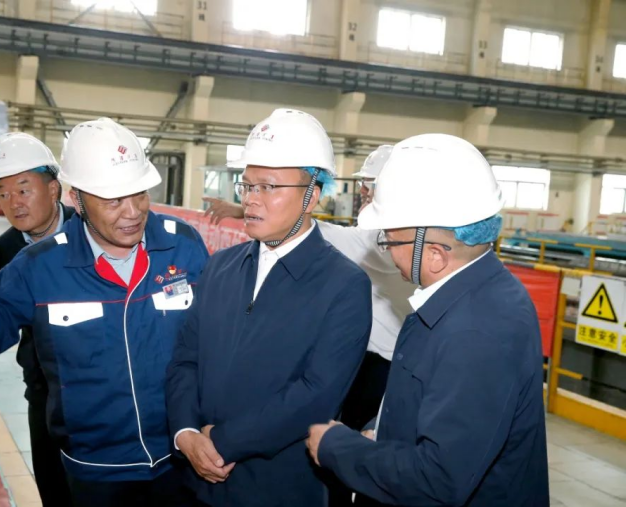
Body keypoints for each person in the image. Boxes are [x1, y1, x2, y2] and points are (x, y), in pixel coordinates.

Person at [0, 118, 210, 507]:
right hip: (96, 472)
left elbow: (216, 341)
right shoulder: (39, 266)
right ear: (78, 199)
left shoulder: (183, 247)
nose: (132, 212)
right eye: (113, 200)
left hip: (181, 459)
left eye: (139, 193)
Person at [306, 134, 549, 506]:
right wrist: (380, 432)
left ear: (435, 254)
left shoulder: (478, 331)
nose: (388, 253)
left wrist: (337, 446)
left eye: (390, 242)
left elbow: (439, 479)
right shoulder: (466, 297)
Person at [166, 108, 372, 507]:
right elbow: (185, 359)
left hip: (280, 487)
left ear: (311, 196)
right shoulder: (220, 267)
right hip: (197, 480)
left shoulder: (344, 285)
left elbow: (316, 393)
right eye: (247, 186)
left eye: (268, 187)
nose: (251, 200)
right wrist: (185, 432)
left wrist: (223, 442)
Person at [0, 132, 75, 507]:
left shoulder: (90, 230)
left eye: (23, 189)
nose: (13, 203)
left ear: (53, 189)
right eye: (3, 193)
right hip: (45, 387)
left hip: (103, 384)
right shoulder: (2, 251)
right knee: (54, 487)